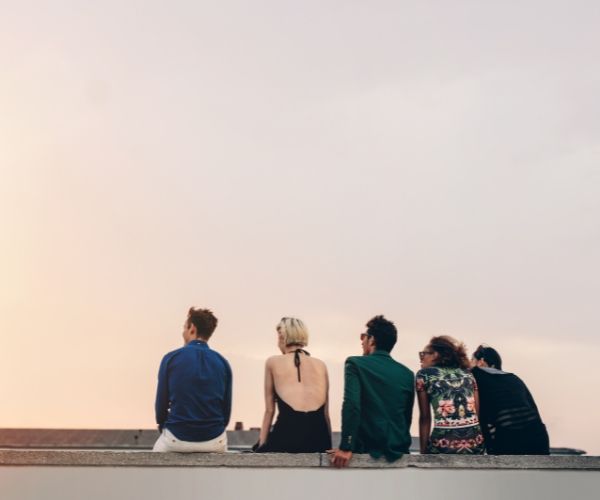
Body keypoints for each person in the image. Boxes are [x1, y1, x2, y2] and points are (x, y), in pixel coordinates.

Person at [328, 315, 414, 467]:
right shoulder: (407, 374)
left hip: (366, 448)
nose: (362, 342)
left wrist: (346, 446)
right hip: (398, 450)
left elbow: (352, 405)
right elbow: (406, 416)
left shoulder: (355, 364)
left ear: (372, 340)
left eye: (363, 337)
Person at [153, 307, 232, 452]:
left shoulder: (171, 358)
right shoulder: (223, 362)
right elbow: (226, 410)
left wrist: (163, 426)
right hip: (215, 439)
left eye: (184, 327)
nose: (183, 331)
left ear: (192, 329)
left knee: (154, 460)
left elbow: (160, 405)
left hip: (177, 437)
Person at [255, 317, 331, 452]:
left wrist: (261, 445)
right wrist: (328, 445)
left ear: (281, 336)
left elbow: (269, 410)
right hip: (318, 436)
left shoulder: (272, 362)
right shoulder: (321, 365)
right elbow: (325, 413)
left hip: (288, 434)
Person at [471, 344, 550, 455]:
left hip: (508, 441)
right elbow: (533, 409)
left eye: (472, 360)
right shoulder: (514, 378)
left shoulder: (476, 374)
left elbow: (481, 417)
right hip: (538, 439)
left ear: (481, 361)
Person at [416, 335, 484, 454]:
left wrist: (423, 453)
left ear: (435, 355)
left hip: (444, 446)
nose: (421, 359)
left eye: (423, 354)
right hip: (475, 445)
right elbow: (476, 413)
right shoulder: (468, 374)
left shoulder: (424, 375)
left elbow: (425, 418)